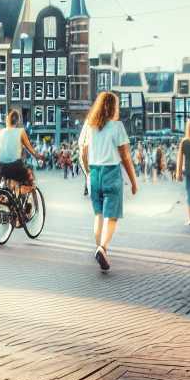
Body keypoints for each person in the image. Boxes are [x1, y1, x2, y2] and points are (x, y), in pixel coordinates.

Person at [81, 91, 138, 271]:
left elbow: (83, 152)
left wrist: (88, 172)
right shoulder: (117, 126)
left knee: (98, 215)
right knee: (111, 216)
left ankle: (99, 249)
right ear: (113, 107)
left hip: (95, 173)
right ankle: (103, 248)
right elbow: (125, 156)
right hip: (111, 172)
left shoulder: (91, 127)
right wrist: (134, 181)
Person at [0, 110, 38, 200]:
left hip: (1, 166)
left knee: (1, 183)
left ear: (7, 121)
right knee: (30, 182)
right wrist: (39, 156)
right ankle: (25, 201)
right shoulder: (21, 131)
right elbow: (30, 149)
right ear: (17, 121)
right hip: (15, 166)